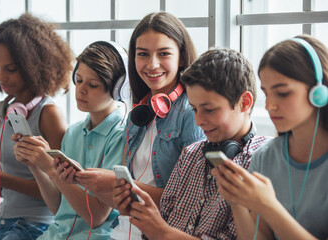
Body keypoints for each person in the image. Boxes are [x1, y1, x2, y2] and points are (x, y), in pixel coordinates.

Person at [69, 12, 205, 239]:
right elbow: (123, 205)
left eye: (163, 54)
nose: (152, 64)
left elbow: (188, 203)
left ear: (181, 57)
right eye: (143, 54)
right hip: (123, 233)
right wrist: (86, 183)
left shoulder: (192, 113)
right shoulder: (137, 115)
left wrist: (118, 183)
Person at [114, 48, 271, 239]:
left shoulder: (261, 163)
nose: (198, 121)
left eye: (209, 110)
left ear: (244, 103)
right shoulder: (191, 154)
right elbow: (164, 217)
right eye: (195, 109)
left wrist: (162, 233)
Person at [0, 13, 72, 239]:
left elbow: (61, 192)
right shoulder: (3, 111)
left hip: (34, 226)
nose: (1, 77)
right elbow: (8, 186)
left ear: (33, 65)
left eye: (11, 68)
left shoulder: (49, 114)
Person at [214, 35, 328, 240]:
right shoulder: (265, 157)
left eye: (282, 93)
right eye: (267, 94)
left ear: (319, 92)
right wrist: (236, 202)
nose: (269, 106)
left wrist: (268, 206)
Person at [13, 41, 128, 239]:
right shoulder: (73, 133)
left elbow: (97, 217)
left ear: (118, 89)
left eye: (92, 85)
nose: (81, 90)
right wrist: (34, 164)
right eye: (79, 80)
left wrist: (50, 168)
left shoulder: (121, 135)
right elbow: (59, 207)